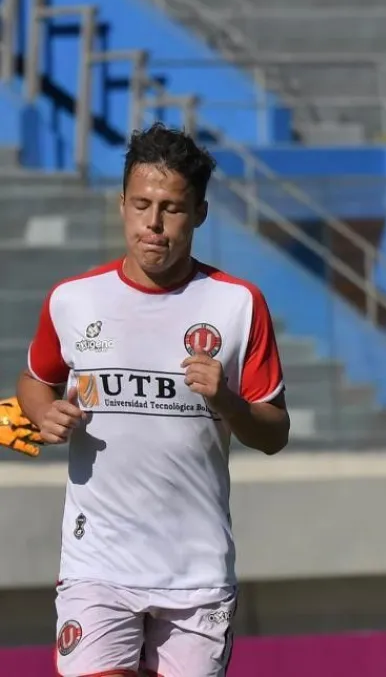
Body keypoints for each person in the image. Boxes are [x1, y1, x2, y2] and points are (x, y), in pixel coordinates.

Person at [17, 122, 290, 677]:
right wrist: (42, 412)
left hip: (195, 573)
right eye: (142, 204)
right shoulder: (73, 299)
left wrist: (230, 402)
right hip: (97, 565)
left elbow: (274, 433)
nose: (154, 224)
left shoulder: (237, 304)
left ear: (200, 214)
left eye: (172, 208)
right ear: (122, 203)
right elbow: (32, 380)